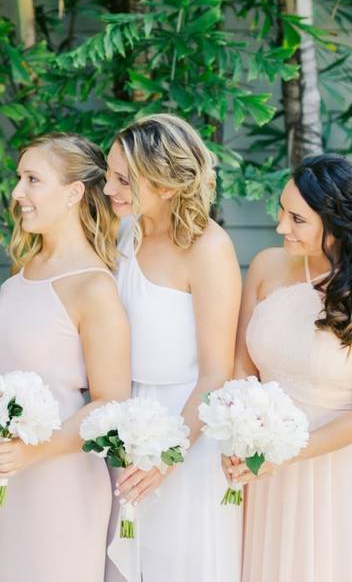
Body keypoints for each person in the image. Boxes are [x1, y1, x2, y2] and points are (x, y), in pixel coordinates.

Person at [231, 155, 352, 581]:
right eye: (281, 211)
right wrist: (242, 428)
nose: (281, 228)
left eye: (297, 219)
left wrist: (287, 452)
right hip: (265, 463)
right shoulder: (265, 267)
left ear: (336, 221)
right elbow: (242, 363)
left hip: (341, 466)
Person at [102, 114, 242, 581]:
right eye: (109, 174)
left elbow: (216, 373)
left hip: (187, 432)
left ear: (164, 183)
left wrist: (167, 455)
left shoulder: (208, 248)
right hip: (125, 423)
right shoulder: (127, 232)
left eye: (123, 179)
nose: (108, 188)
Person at [0, 134, 130, 581]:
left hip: (63, 477)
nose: (17, 193)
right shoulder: (17, 277)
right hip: (7, 473)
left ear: (73, 193)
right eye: (19, 179)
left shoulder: (94, 288)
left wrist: (35, 450)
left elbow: (112, 401)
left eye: (32, 180)